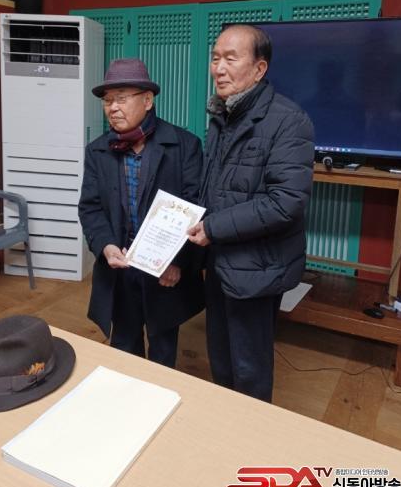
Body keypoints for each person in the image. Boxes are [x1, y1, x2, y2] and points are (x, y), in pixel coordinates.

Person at [187, 24, 314, 402]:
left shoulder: (289, 120)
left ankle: (253, 434)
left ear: (259, 69)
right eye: (215, 58)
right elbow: (215, 186)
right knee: (220, 357)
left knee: (250, 369)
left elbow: (286, 202)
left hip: (258, 267)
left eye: (230, 58)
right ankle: (228, 425)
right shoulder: (222, 116)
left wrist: (213, 227)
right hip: (220, 259)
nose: (218, 68)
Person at [79, 58, 204, 367]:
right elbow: (90, 207)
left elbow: (196, 208)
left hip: (164, 271)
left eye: (121, 98)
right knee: (124, 347)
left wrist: (177, 261)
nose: (112, 108)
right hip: (120, 267)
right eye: (107, 100)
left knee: (163, 349)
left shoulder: (184, 146)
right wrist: (106, 246)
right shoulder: (97, 150)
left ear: (147, 101)